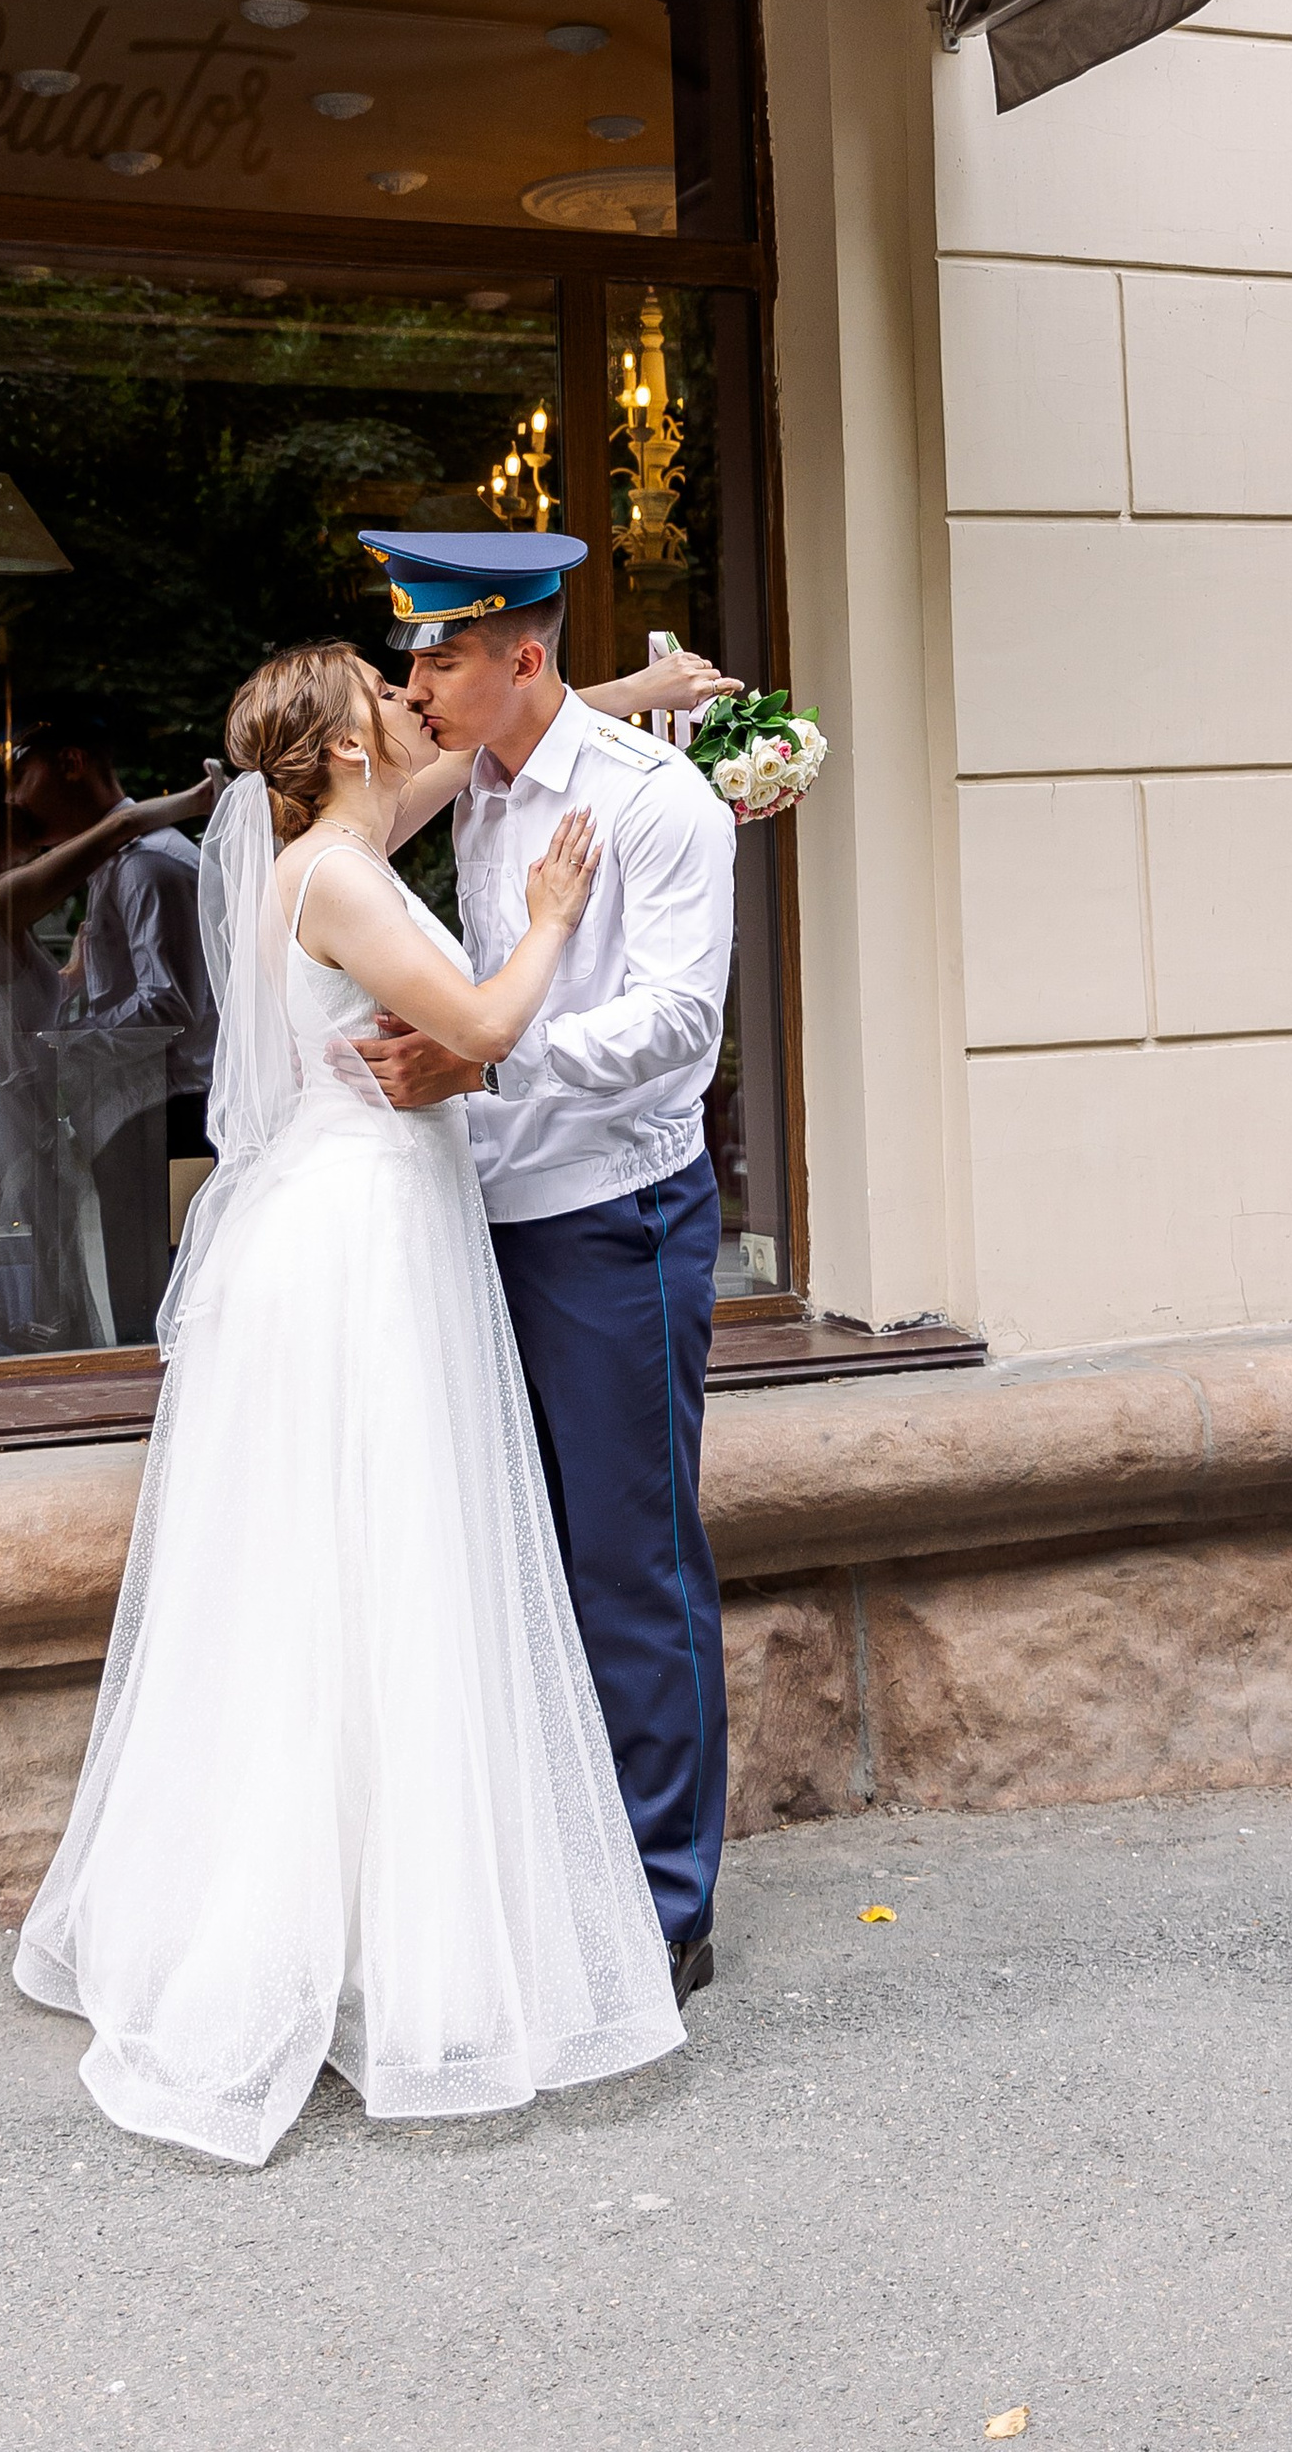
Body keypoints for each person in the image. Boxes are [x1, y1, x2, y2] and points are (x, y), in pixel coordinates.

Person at [15, 641, 687, 2161]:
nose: (413, 705)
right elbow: (490, 1025)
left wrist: (631, 706)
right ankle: (346, 1942)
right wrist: (556, 918)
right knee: (377, 1562)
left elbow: (457, 765)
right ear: (341, 742)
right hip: (361, 1242)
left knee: (361, 1564)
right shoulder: (340, 878)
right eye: (386, 697)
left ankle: (379, 1918)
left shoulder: (339, 846)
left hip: (352, 1218)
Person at [348, 529, 741, 2010]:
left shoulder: (659, 801)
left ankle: (664, 1904)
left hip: (616, 1213)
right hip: (488, 1213)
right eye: (412, 653)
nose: (415, 681)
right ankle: (565, 1868)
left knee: (628, 1561)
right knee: (514, 1560)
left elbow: (676, 1029)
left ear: (521, 654)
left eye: (441, 655)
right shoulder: (483, 791)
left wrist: (485, 1059)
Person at [8, 713, 219, 1344]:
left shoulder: (148, 864)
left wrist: (64, 1048)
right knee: (142, 1294)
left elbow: (168, 1007)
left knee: (164, 1300)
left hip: (172, 1115)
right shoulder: (116, 865)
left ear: (70, 761)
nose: (15, 797)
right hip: (142, 1112)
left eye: (23, 773)